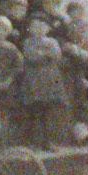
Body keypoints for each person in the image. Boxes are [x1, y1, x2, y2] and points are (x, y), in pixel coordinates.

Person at [17, 16, 74, 148]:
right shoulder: (27, 42)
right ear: (30, 29)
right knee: (33, 110)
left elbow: (56, 55)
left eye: (42, 26)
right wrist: (44, 53)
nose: (39, 29)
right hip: (33, 80)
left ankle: (48, 141)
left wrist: (42, 53)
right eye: (35, 26)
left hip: (49, 79)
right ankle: (32, 141)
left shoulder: (52, 41)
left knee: (48, 111)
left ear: (48, 29)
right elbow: (30, 56)